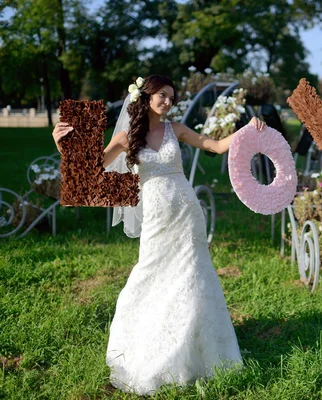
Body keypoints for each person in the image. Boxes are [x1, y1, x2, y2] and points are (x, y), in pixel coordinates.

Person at [52, 75, 265, 395]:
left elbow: (215, 146)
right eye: (162, 95)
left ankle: (196, 348)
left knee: (193, 276)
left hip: (187, 214)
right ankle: (143, 341)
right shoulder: (126, 137)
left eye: (172, 97)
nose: (168, 101)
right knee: (147, 274)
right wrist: (62, 144)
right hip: (155, 215)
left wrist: (248, 129)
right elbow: (93, 169)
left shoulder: (174, 130)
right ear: (146, 97)